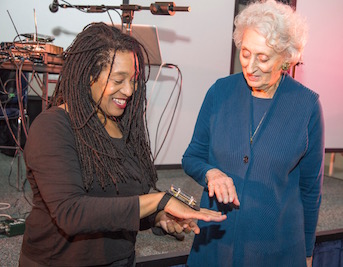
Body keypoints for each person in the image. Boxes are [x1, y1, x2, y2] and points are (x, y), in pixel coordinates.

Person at [18, 22, 226, 267]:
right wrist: (160, 200)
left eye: (134, 79)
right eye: (118, 80)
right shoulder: (53, 127)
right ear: (88, 76)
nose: (129, 90)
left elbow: (123, 205)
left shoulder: (124, 127)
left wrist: (159, 216)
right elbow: (71, 213)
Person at [182, 1, 324, 266]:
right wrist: (210, 172)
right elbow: (193, 157)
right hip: (216, 242)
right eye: (245, 53)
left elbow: (310, 190)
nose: (250, 66)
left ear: (286, 57)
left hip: (277, 249)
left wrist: (307, 252)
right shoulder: (219, 92)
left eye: (263, 57)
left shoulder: (307, 105)